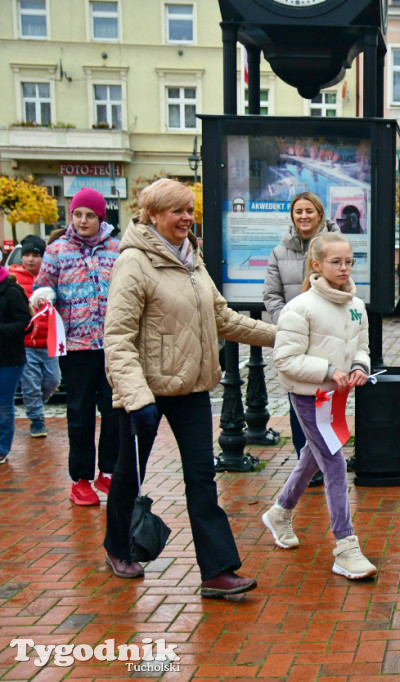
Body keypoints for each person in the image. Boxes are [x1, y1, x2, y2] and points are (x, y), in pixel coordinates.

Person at [103, 178, 277, 597]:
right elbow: (118, 337)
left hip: (193, 389)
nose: (186, 218)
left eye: (189, 210)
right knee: (130, 474)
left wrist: (282, 336)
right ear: (153, 215)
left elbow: (223, 318)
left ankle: (217, 571)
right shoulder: (134, 262)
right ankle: (118, 546)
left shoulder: (191, 260)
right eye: (177, 211)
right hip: (145, 393)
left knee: (202, 478)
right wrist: (137, 398)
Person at [262, 232, 377, 579]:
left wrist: (359, 367)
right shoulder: (300, 307)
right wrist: (328, 371)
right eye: (336, 262)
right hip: (309, 396)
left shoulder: (357, 305)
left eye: (349, 261)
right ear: (317, 265)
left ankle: (280, 511)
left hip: (337, 397)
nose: (344, 268)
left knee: (314, 457)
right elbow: (285, 359)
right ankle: (345, 546)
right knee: (335, 463)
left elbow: (361, 347)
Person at [35, 187, 120, 506]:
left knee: (114, 411)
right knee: (80, 413)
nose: (83, 220)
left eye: (89, 215)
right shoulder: (57, 250)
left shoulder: (117, 248)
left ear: (101, 218)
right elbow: (43, 284)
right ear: (71, 216)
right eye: (77, 214)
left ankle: (108, 473)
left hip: (112, 343)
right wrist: (44, 298)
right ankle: (80, 479)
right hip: (76, 344)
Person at [264, 192, 342, 485]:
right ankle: (307, 463)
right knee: (298, 401)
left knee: (327, 403)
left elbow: (344, 286)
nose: (304, 216)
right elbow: (271, 295)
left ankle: (326, 461)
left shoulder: (335, 247)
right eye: (298, 212)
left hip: (327, 336)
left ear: (320, 214)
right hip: (295, 340)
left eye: (310, 211)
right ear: (292, 216)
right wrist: (288, 323)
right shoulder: (279, 252)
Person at [10, 235, 61, 438]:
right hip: (26, 343)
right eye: (27, 255)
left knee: (53, 381)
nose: (30, 259)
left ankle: (38, 403)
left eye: (36, 255)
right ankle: (37, 420)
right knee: (30, 383)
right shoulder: (14, 279)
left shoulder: (51, 277)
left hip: (50, 342)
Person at [0, 264, 31, 464]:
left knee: (3, 404)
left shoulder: (11, 292)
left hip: (8, 359)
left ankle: (2, 448)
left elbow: (26, 324)